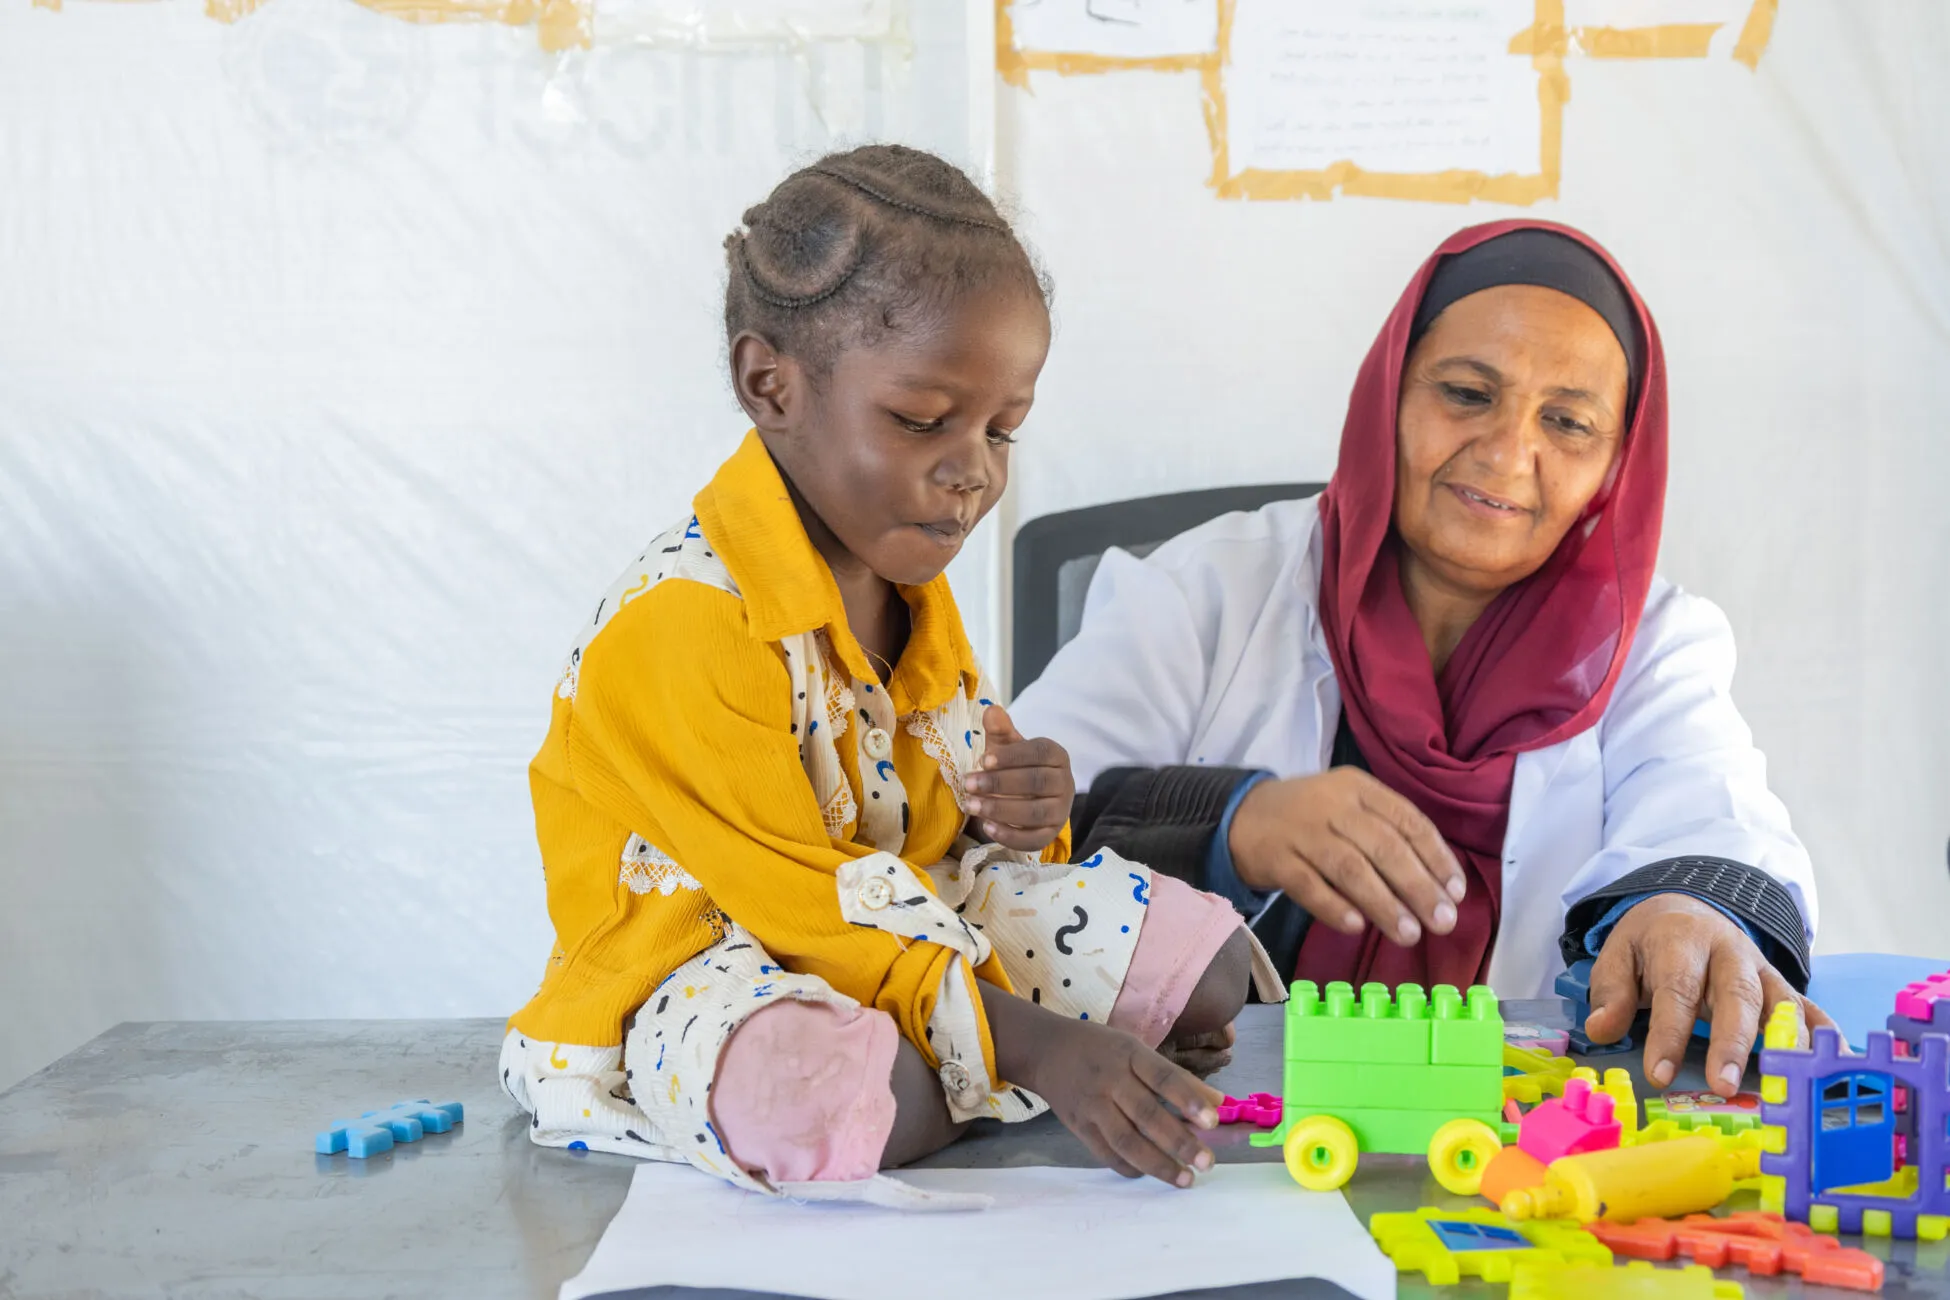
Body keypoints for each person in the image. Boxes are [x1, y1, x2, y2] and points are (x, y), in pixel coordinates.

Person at [498, 145, 1280, 1203]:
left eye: (1004, 430)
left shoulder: (904, 574)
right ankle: (958, 1067)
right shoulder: (681, 625)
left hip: (900, 923)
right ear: (770, 384)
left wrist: (1025, 806)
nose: (973, 471)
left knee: (1210, 966)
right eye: (923, 422)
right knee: (835, 1091)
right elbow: (801, 910)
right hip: (713, 962)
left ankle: (955, 1062)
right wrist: (1049, 1049)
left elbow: (941, 839)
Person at [1009, 221, 1828, 1099]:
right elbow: (1001, 830)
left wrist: (1683, 909)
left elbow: (1712, 818)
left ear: (1618, 460)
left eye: (1568, 422)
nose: (1511, 453)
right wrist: (1232, 826)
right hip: (1195, 1115)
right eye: (1469, 394)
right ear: (1389, 392)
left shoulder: (1655, 641)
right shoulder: (1206, 588)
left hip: (1514, 1133)